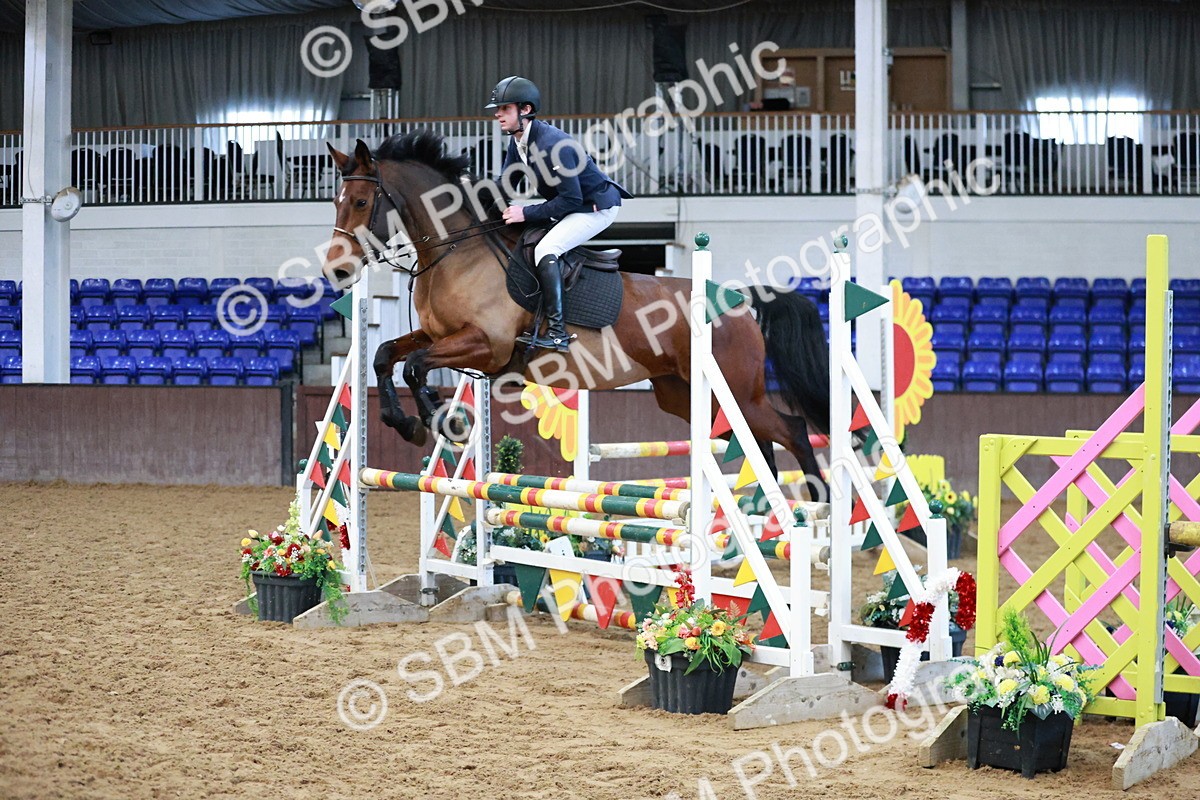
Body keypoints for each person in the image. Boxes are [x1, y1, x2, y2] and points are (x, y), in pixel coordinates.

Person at [486, 75, 632, 353]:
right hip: (572, 204)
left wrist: (526, 213)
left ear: (525, 110)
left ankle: (557, 333)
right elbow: (506, 184)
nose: (497, 114)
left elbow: (571, 198)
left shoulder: (553, 144)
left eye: (505, 108)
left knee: (546, 249)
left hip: (594, 207)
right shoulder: (518, 141)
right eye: (498, 109)